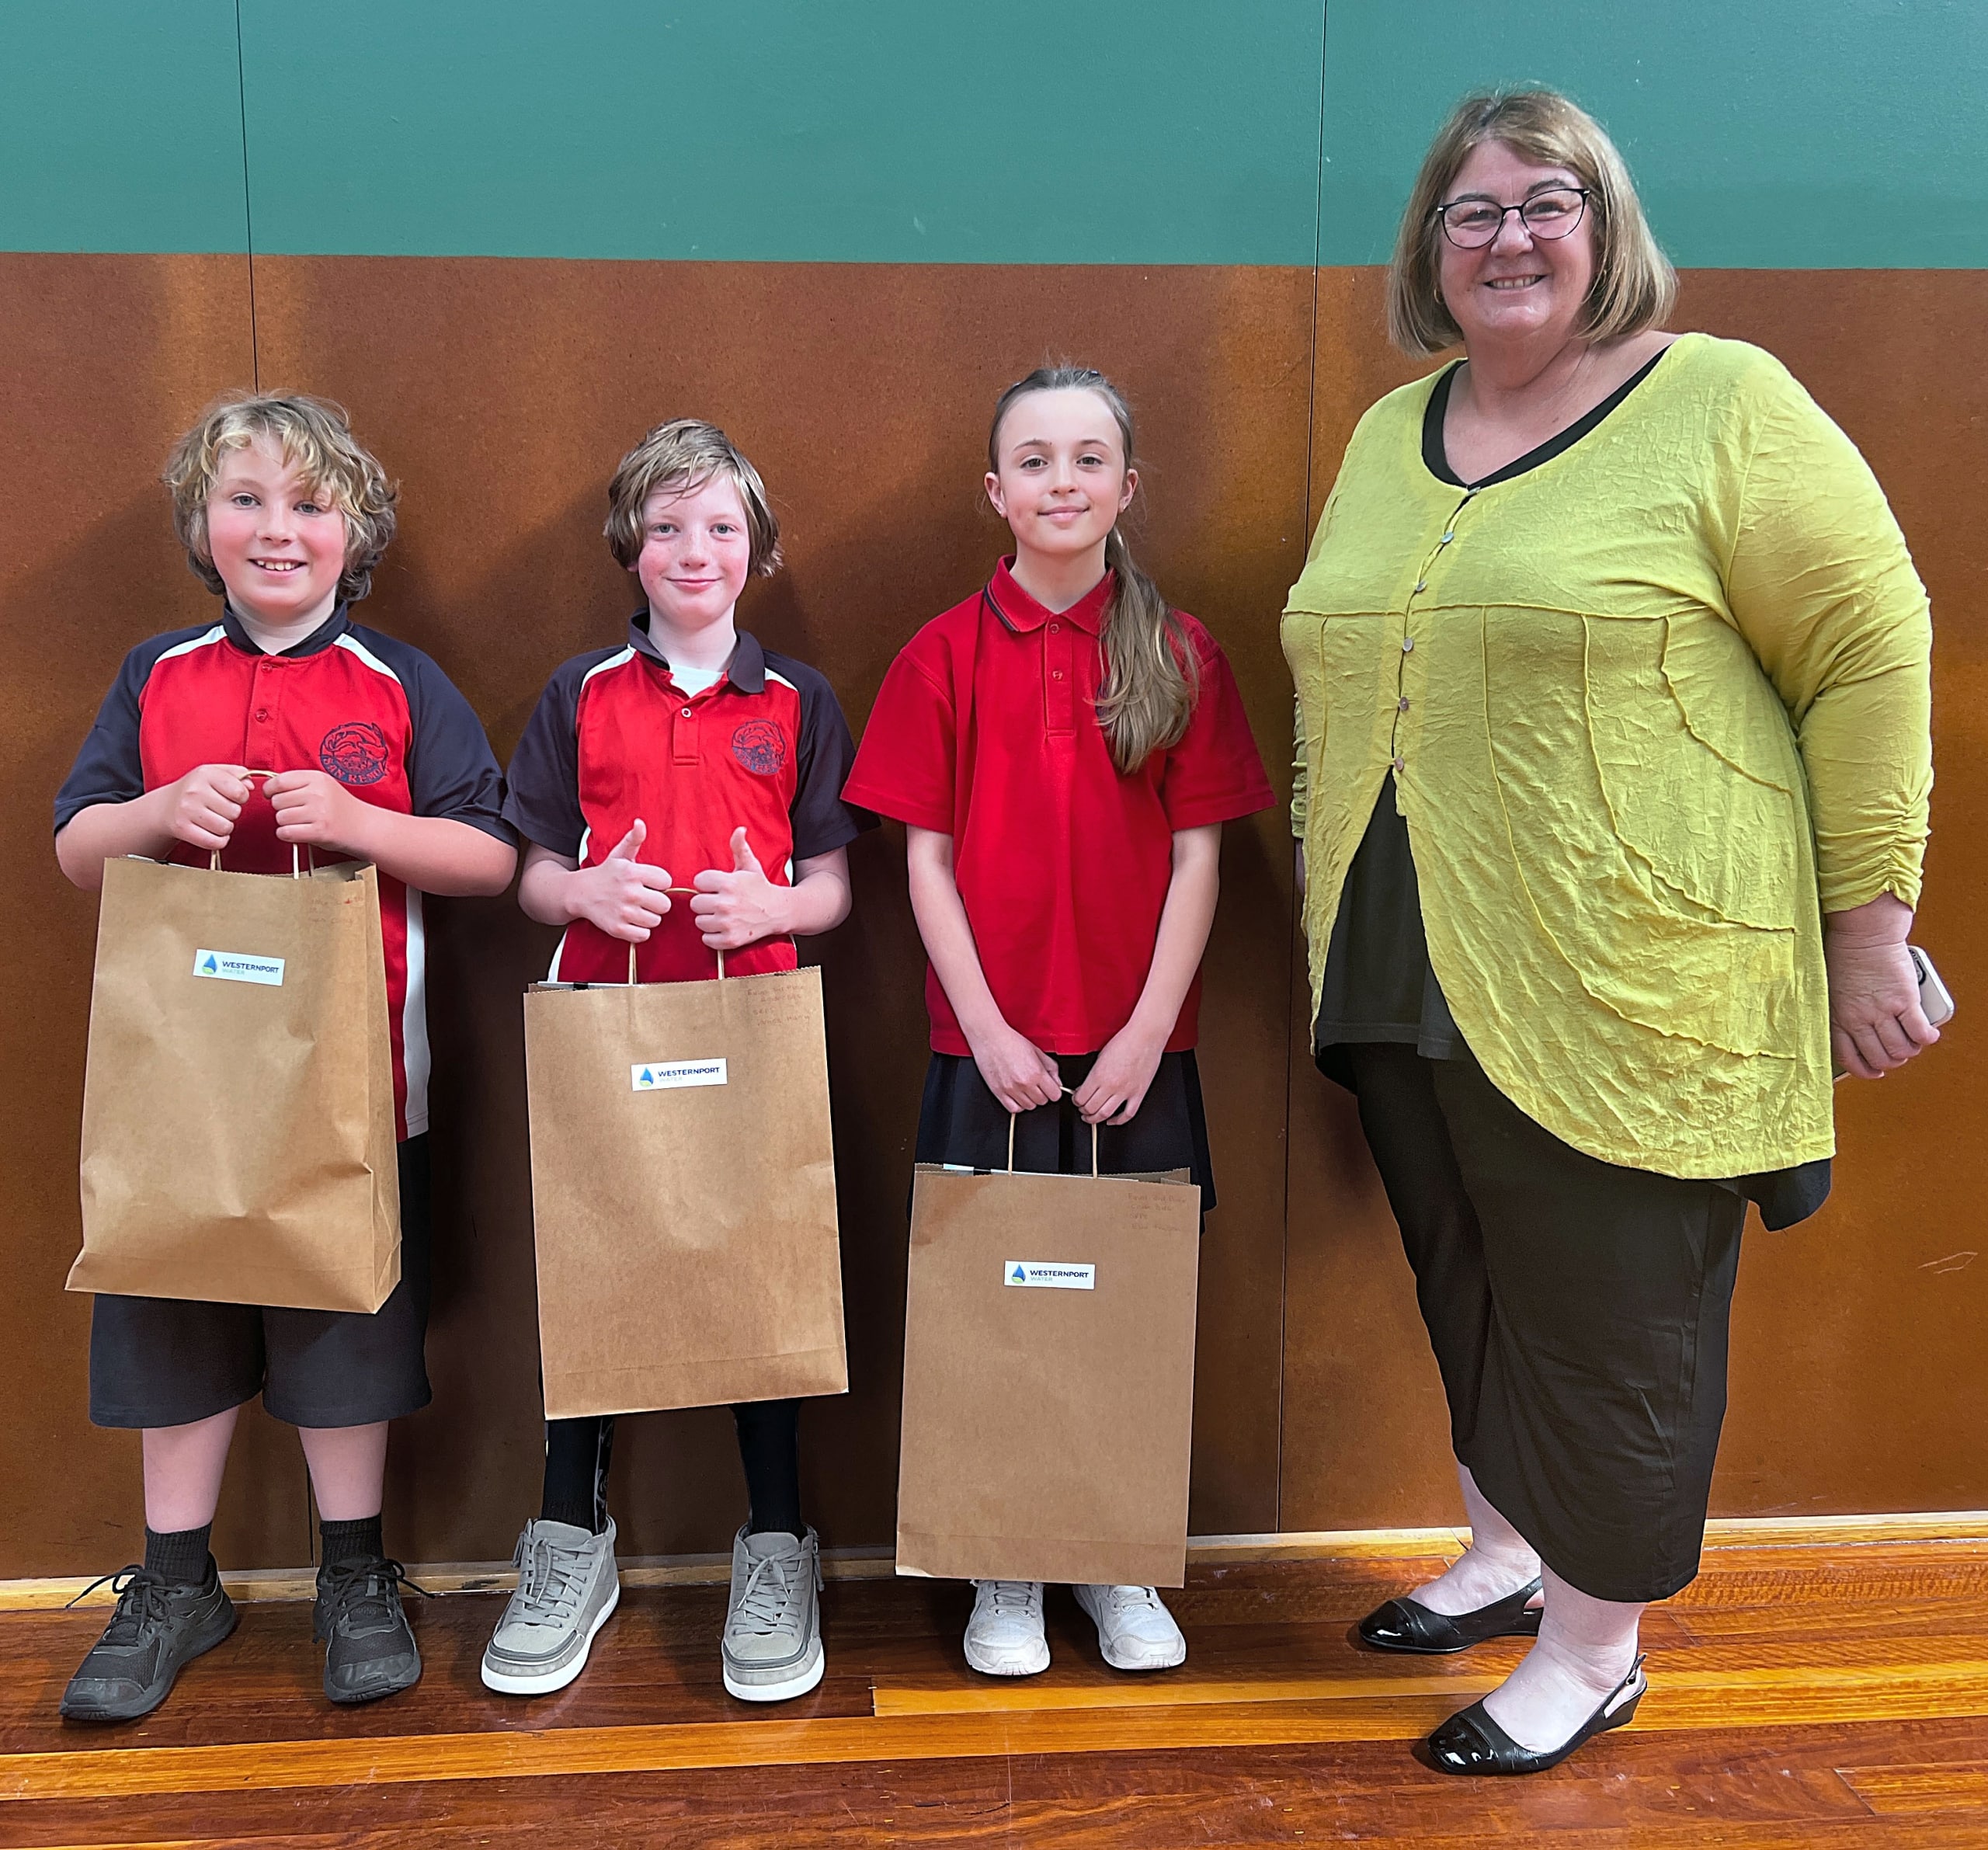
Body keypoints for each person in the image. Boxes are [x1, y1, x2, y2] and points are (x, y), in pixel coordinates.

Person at [1284, 89, 1936, 1775]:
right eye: (1470, 211)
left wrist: (1868, 929)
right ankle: (1508, 1557)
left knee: (1609, 1305)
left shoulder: (1720, 402)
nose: (1507, 237)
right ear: (1430, 246)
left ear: (1604, 223)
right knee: (1468, 1275)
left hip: (1629, 953)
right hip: (1401, 939)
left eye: (1543, 202)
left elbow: (1866, 649)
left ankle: (1595, 1646)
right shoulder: (1385, 431)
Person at [52, 392, 516, 1719]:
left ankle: (354, 1574)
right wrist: (150, 810)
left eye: (309, 505)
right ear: (203, 521)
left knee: (342, 1325)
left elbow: (488, 856)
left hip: (357, 1081)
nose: (277, 528)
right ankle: (174, 1579)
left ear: (353, 530)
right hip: (181, 1088)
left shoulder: (397, 683)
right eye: (246, 499)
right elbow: (77, 850)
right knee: (175, 1309)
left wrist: (367, 821)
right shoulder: (157, 675)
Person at [846, 365, 1274, 1677]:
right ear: (997, 491)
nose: (1063, 481)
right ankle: (1006, 1566)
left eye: (1089, 459)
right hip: (991, 1051)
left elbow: (1200, 861)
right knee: (997, 1302)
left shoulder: (1180, 650)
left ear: (1126, 488)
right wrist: (985, 1027)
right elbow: (921, 861)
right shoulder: (941, 655)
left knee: (1123, 1309)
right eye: (1035, 460)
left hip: (1142, 1054)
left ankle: (1119, 1561)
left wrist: (1148, 1030)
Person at [485, 418, 869, 1703]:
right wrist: (587, 889)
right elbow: (531, 874)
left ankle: (776, 1540)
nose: (693, 549)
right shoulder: (577, 692)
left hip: (753, 1031)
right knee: (600, 1267)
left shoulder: (799, 698)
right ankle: (568, 1535)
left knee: (757, 1275)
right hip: (610, 1026)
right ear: (629, 549)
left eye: (719, 527)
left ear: (756, 550)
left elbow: (833, 887)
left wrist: (772, 912)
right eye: (666, 527)